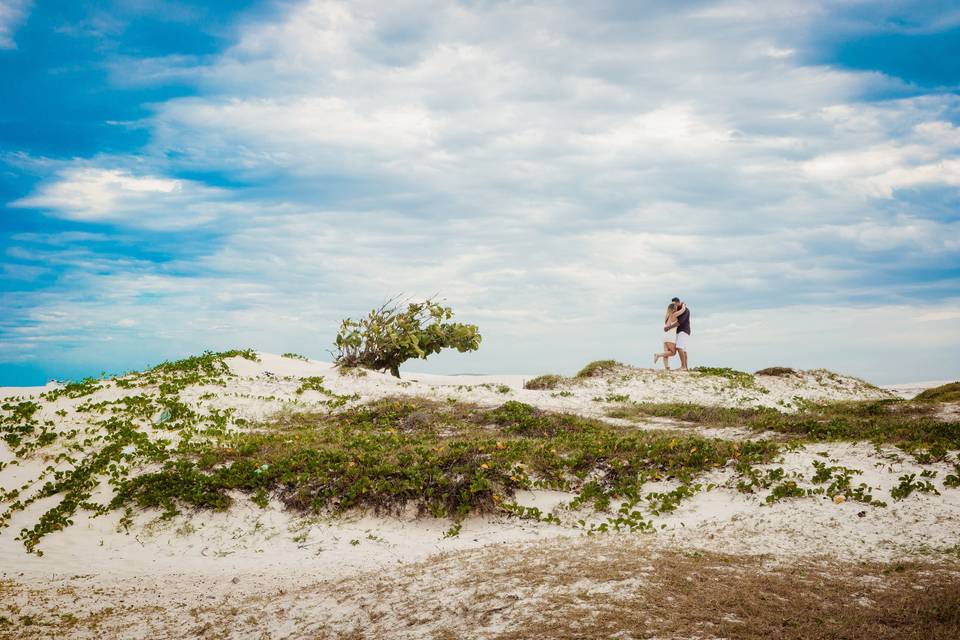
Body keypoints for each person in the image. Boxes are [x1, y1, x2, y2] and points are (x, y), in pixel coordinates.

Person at [654, 302, 681, 369]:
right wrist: (683, 305)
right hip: (670, 336)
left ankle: (666, 367)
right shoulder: (674, 314)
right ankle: (658, 355)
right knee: (673, 352)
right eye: (676, 307)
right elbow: (682, 310)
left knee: (666, 353)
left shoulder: (667, 316)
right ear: (674, 308)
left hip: (665, 336)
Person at [670, 296, 691, 371]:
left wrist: (669, 327)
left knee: (679, 347)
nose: (674, 306)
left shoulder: (685, 310)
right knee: (683, 349)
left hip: (684, 330)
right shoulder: (679, 309)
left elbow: (680, 322)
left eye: (675, 304)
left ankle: (683, 366)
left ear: (678, 302)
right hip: (679, 331)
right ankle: (685, 367)